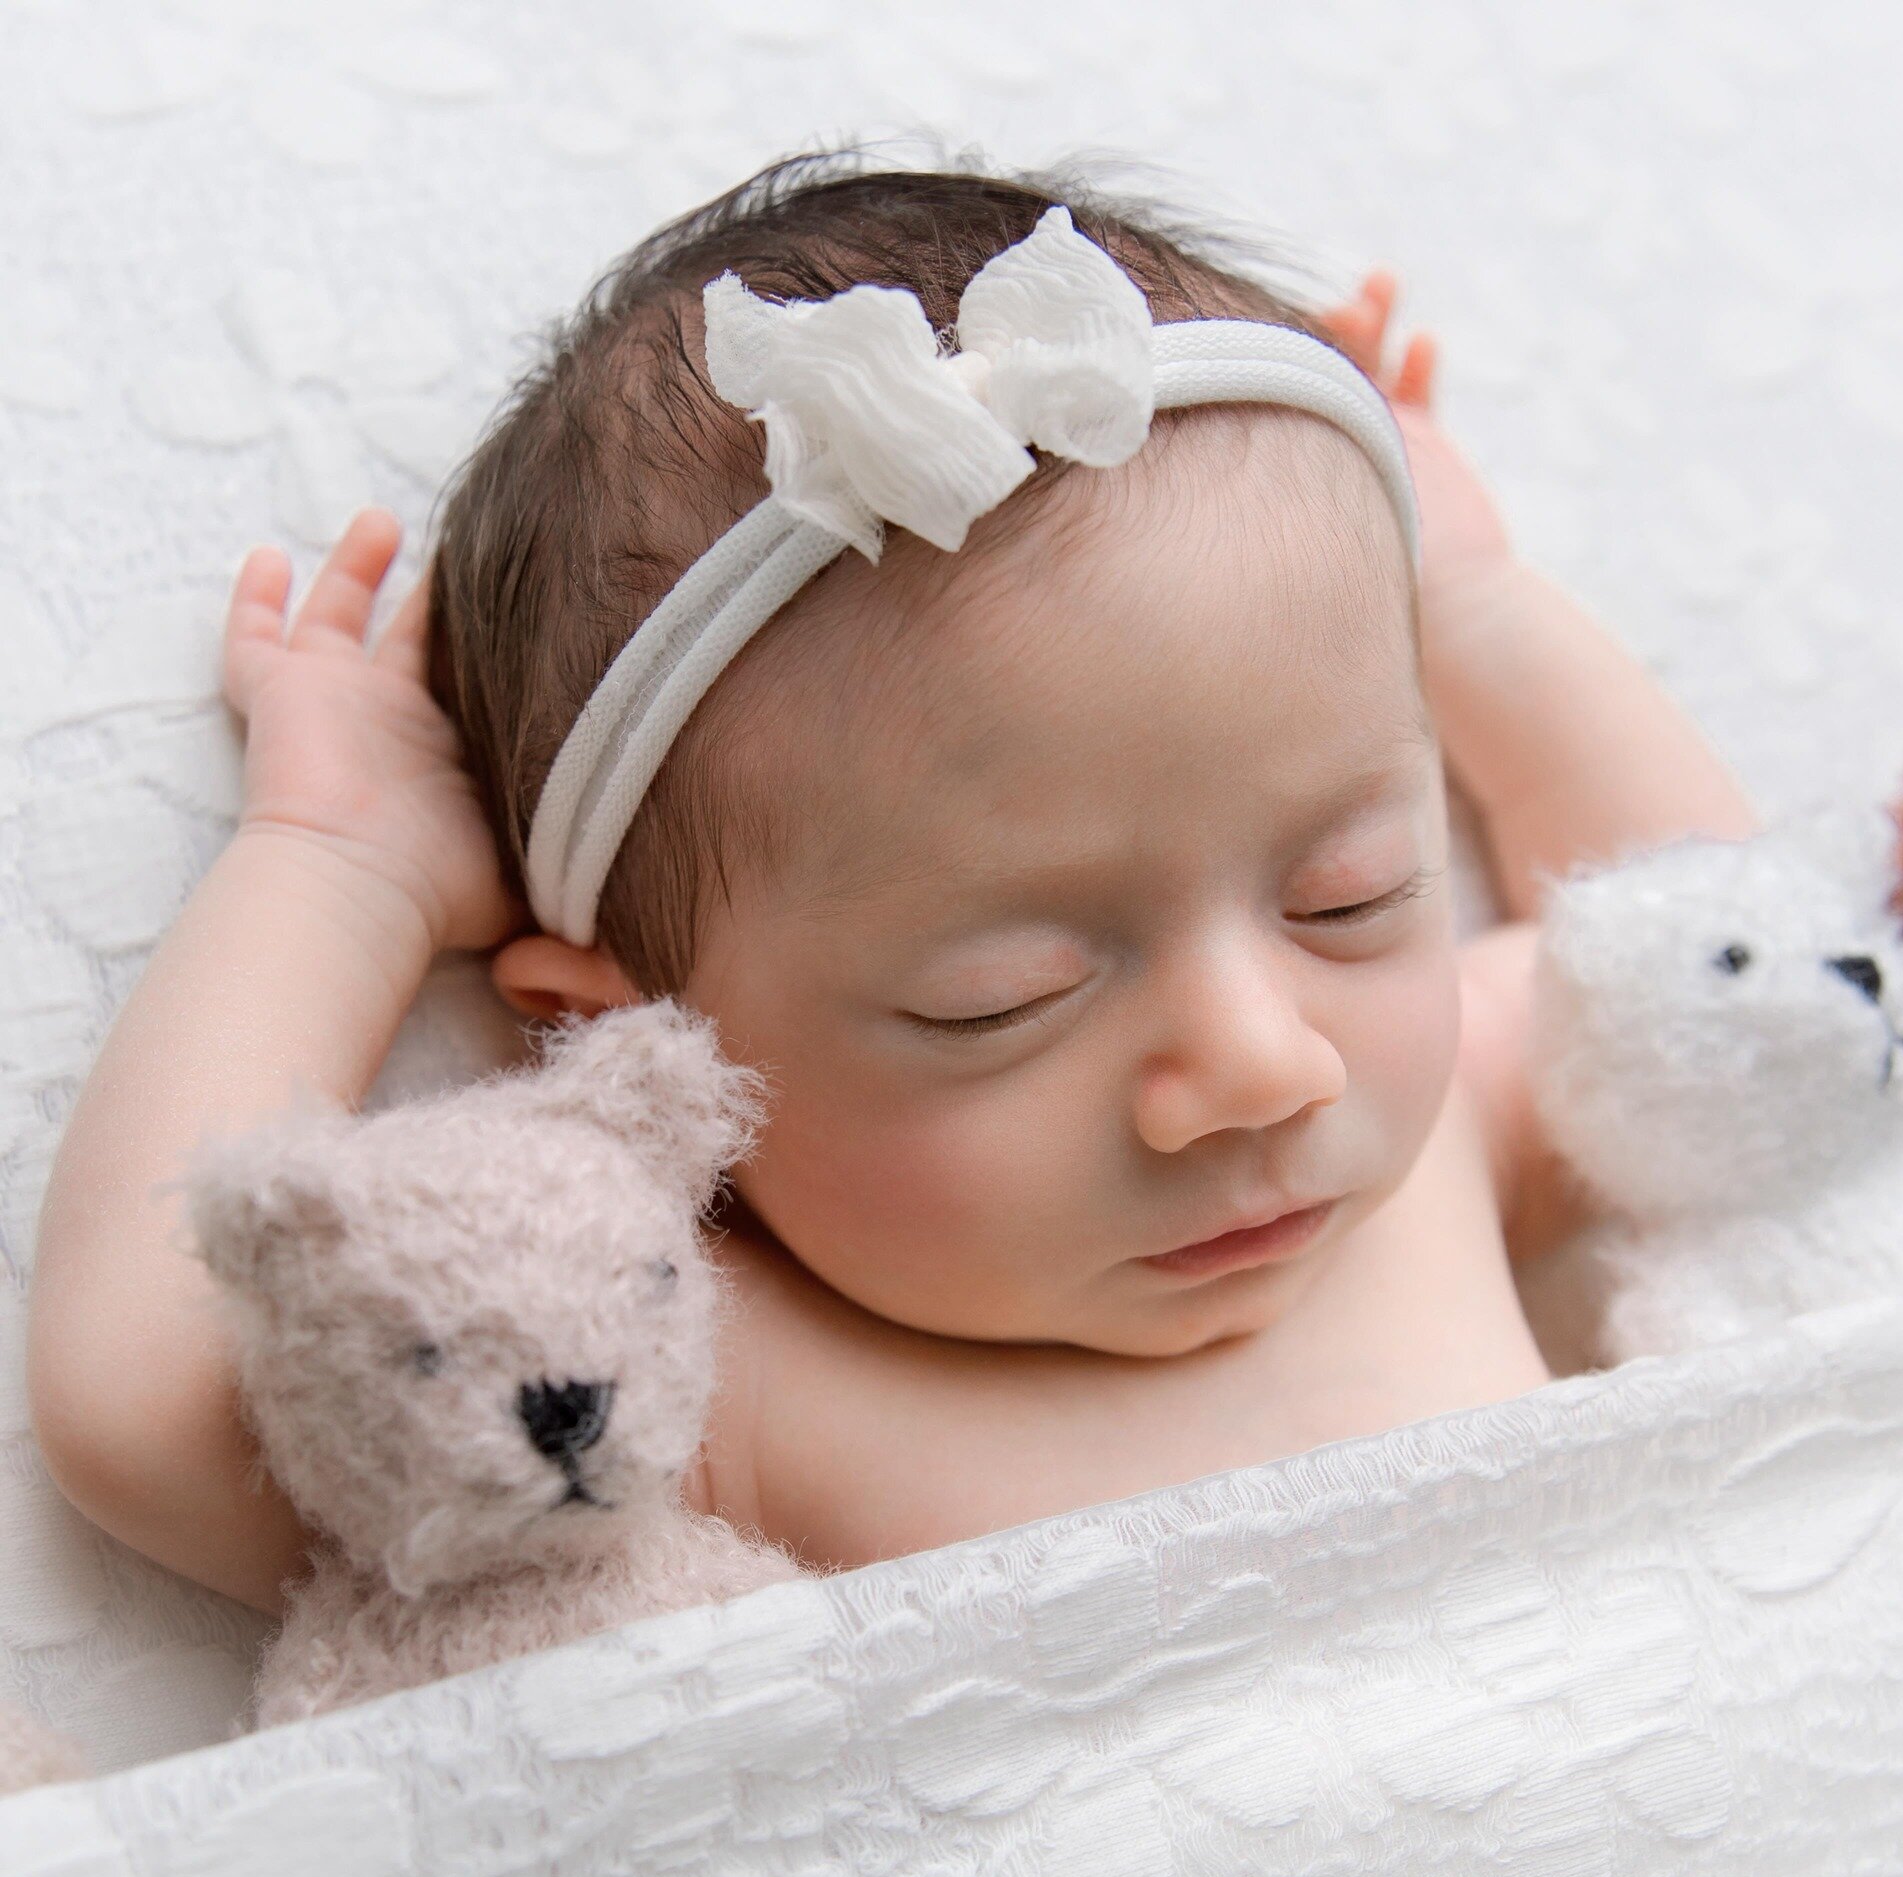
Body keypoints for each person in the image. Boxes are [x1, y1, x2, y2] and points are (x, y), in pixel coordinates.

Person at [27, 156, 1753, 1610]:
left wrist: (1473, 607)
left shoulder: (1432, 1138)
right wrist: (342, 868)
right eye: (997, 999)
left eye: (1356, 895)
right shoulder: (719, 1376)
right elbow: (154, 1394)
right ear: (642, 1057)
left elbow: (1750, 985)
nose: (1259, 1062)